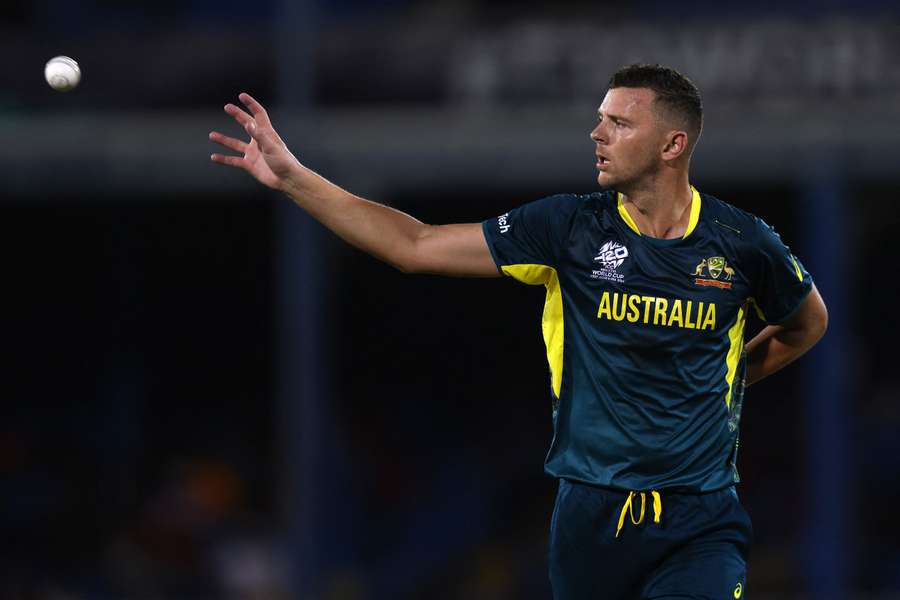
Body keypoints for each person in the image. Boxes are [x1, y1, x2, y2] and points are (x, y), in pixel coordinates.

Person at [209, 64, 828, 599]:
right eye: (600, 118)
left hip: (702, 519)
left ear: (672, 145)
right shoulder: (567, 230)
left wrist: (727, 381)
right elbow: (414, 245)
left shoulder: (742, 242)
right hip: (591, 518)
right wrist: (294, 178)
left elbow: (807, 321)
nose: (597, 134)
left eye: (619, 123)